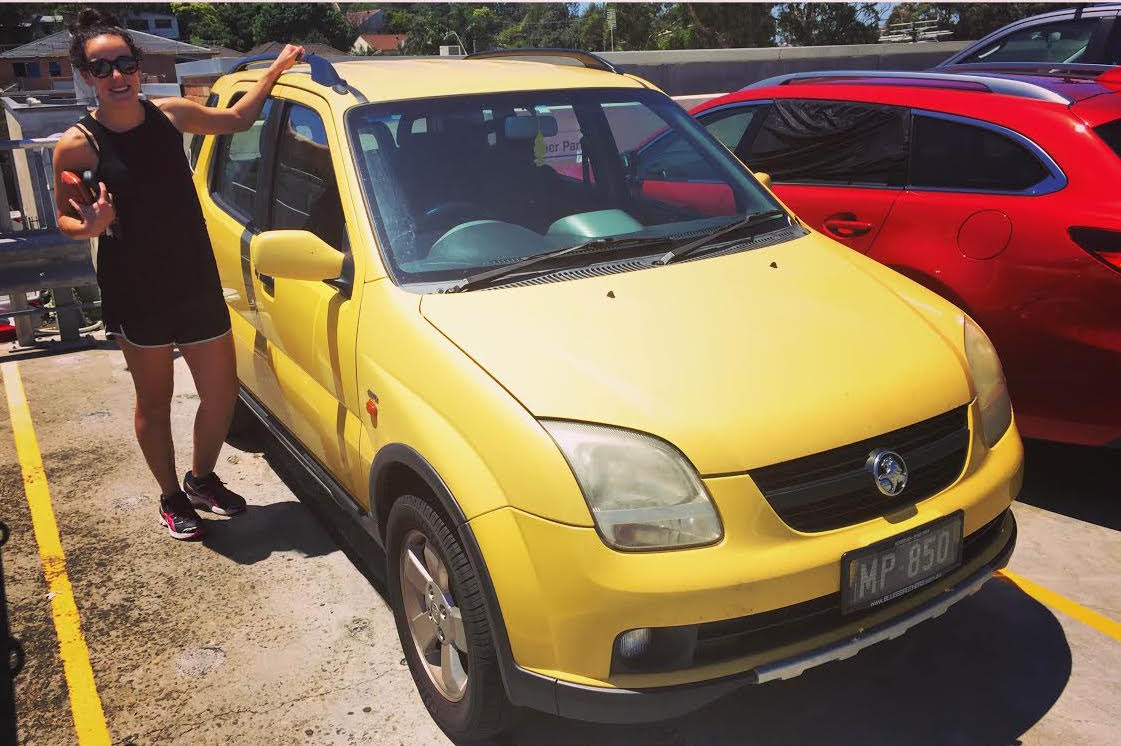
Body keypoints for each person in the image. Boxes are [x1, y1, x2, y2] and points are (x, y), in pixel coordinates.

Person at [52, 7, 304, 540]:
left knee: (220, 393)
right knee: (156, 401)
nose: (117, 76)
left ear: (138, 67)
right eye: (102, 68)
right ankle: (170, 497)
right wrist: (91, 224)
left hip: (194, 278)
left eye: (125, 64)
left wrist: (274, 70)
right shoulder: (77, 145)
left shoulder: (172, 116)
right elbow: (66, 218)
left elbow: (237, 120)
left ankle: (201, 479)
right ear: (86, 75)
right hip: (136, 290)